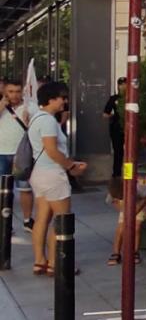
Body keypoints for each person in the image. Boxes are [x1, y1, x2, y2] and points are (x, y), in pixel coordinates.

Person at [28, 82, 86, 278]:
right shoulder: (48, 122)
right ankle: (56, 262)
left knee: (42, 217)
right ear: (51, 99)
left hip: (38, 173)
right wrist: (71, 166)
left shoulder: (36, 118)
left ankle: (39, 261)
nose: (65, 101)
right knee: (62, 219)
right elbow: (52, 150)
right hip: (53, 174)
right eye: (62, 97)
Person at [1, 78, 34, 232]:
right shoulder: (1, 106)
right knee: (3, 191)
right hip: (2, 153)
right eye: (11, 92)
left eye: (17, 91)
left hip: (21, 154)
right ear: (4, 92)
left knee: (25, 189)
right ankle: (5, 221)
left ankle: (27, 220)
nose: (14, 95)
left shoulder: (29, 107)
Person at [106, 176, 146, 267]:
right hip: (125, 209)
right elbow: (114, 203)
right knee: (120, 228)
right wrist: (124, 211)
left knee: (136, 226)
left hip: (139, 207)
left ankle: (135, 251)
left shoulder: (138, 187)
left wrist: (135, 212)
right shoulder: (113, 193)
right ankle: (116, 252)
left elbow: (145, 199)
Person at [102, 77, 127, 177]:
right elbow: (105, 114)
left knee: (128, 152)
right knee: (119, 151)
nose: (122, 86)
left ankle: (127, 174)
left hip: (128, 127)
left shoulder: (132, 98)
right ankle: (117, 174)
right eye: (120, 84)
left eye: (124, 84)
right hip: (117, 128)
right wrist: (114, 116)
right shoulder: (114, 98)